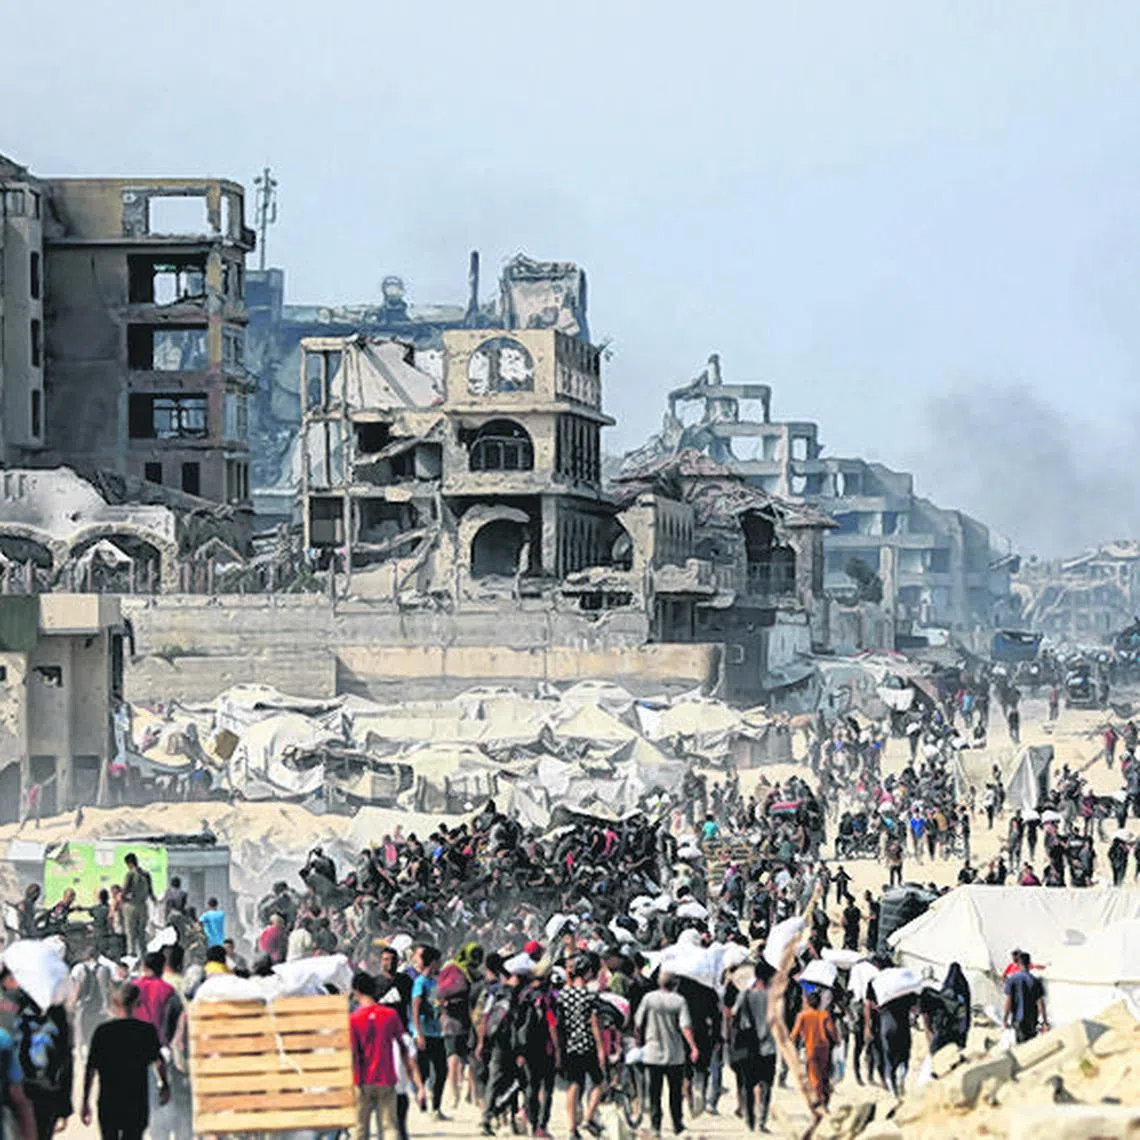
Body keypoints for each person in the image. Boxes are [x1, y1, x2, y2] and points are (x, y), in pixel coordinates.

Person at [82, 983, 170, 1140]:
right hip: (136, 1100)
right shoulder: (146, 1031)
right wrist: (164, 1085)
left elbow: (90, 1069)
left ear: (114, 1003)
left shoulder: (103, 1032)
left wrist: (85, 1100)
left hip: (109, 1101)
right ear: (137, 1003)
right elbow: (158, 1061)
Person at [635, 971, 698, 1138]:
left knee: (654, 1092)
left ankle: (656, 1125)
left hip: (652, 1052)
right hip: (674, 1053)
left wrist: (638, 1042)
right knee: (675, 1093)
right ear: (674, 984)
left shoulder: (648, 998)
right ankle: (677, 1124)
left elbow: (638, 1023)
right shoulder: (679, 1001)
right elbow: (685, 1026)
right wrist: (693, 1047)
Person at [350, 971, 411, 1140]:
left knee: (360, 1128)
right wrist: (409, 1072)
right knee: (389, 1126)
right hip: (386, 1077)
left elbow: (353, 1053)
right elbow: (403, 1045)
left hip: (362, 1080)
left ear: (356, 991)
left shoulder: (353, 1019)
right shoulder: (390, 1015)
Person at [558, 953, 606, 1140]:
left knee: (573, 1085)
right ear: (586, 973)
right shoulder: (589, 996)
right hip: (588, 1044)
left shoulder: (563, 995)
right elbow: (595, 1024)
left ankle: (571, 1129)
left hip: (569, 1045)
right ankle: (588, 1117)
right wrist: (601, 1049)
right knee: (599, 1083)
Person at [729, 965, 777, 1132]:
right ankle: (762, 1120)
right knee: (766, 1085)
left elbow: (734, 1015)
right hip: (769, 1048)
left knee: (748, 1085)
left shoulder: (745, 995)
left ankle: (750, 1119)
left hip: (750, 1047)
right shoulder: (774, 998)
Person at [410, 946, 448, 1120]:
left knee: (441, 1071)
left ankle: (437, 1107)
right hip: (424, 1032)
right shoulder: (420, 982)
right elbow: (416, 1008)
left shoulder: (436, 981)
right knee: (423, 1071)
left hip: (438, 1032)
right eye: (438, 961)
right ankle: (421, 1097)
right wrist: (419, 1034)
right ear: (433, 962)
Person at [791, 989, 839, 1110]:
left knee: (813, 1075)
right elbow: (831, 1030)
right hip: (824, 1047)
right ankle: (825, 1099)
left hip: (810, 1047)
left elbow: (794, 1034)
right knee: (824, 1074)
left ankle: (819, 1101)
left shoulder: (802, 1015)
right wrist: (837, 1040)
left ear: (807, 1002)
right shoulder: (825, 1014)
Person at [1003, 950, 1048, 1044]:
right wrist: (1044, 1021)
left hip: (1018, 1019)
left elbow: (1008, 1001)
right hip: (1032, 1020)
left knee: (1021, 1046)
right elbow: (1040, 1003)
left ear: (1019, 964)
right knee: (1031, 1044)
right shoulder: (1035, 981)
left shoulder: (1012, 980)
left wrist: (1005, 1018)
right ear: (1029, 963)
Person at [120, 855, 155, 960]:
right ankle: (143, 954)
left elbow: (125, 891)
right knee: (141, 932)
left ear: (129, 863)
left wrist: (122, 899)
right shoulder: (146, 874)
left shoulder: (130, 874)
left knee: (130, 932)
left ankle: (132, 954)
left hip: (131, 905)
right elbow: (151, 893)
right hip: (143, 906)